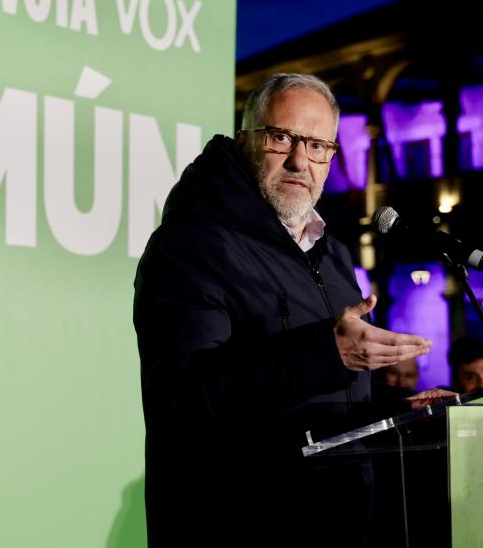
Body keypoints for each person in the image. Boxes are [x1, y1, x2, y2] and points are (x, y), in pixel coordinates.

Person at [134, 74, 447, 547]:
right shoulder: (190, 245)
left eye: (320, 145)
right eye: (282, 138)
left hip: (338, 524)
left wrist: (395, 408)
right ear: (246, 141)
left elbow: (313, 396)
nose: (302, 160)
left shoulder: (331, 251)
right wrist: (330, 353)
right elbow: (184, 394)